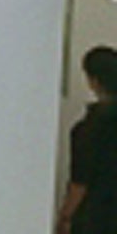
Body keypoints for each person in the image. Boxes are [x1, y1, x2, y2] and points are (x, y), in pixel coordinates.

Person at [59, 46, 117, 234]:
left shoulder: (91, 127)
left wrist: (65, 216)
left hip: (97, 217)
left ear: (94, 82)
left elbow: (80, 180)